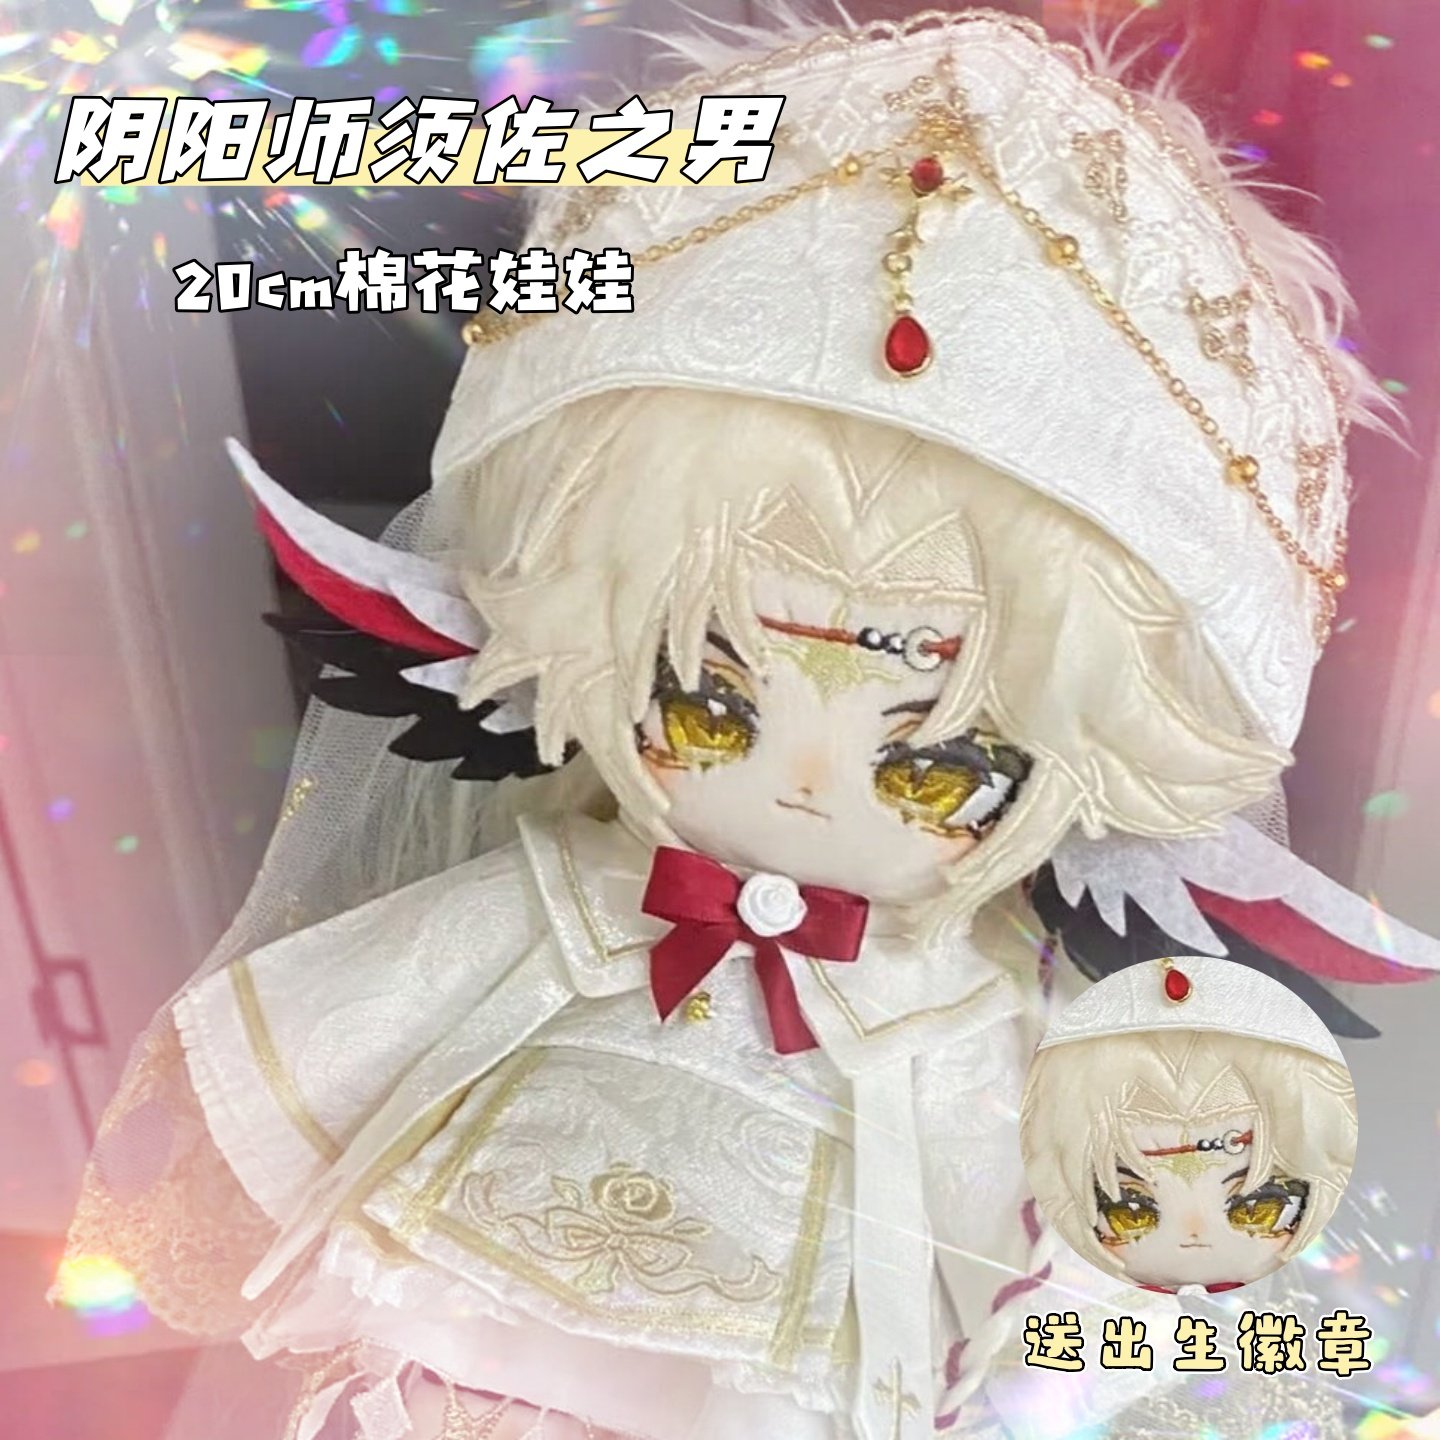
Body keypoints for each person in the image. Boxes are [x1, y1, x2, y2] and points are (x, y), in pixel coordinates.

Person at [62, 9, 1440, 1439]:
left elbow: (1070, 1236)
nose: (808, 785)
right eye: (708, 704)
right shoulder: (557, 909)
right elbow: (345, 1022)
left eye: (934, 762)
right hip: (476, 1365)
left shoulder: (968, 1008)